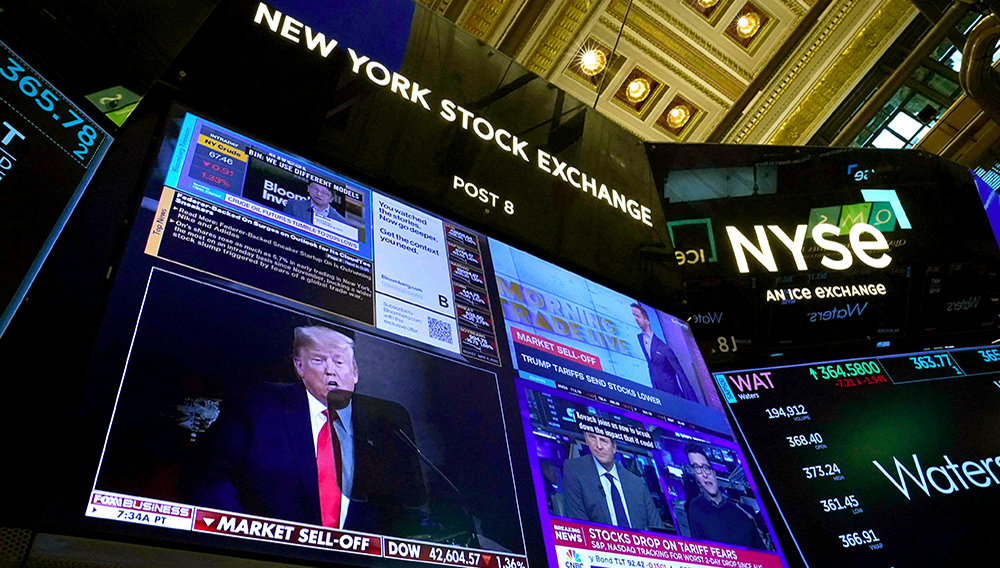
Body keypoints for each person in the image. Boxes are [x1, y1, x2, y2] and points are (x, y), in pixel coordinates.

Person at [194, 326, 427, 536]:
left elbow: (399, 511)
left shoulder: (381, 427)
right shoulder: (259, 405)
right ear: (299, 366)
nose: (330, 371)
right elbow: (211, 478)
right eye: (318, 360)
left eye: (339, 362)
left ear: (355, 372)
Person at [561, 430, 664, 530]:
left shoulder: (637, 484)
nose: (598, 446)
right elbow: (581, 526)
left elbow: (658, 531)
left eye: (603, 440)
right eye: (592, 438)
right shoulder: (574, 470)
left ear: (614, 447)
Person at [684, 444, 765, 549]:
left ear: (713, 472)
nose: (704, 474)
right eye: (697, 468)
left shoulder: (743, 512)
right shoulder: (695, 508)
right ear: (695, 475)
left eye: (706, 467)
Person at [630, 303, 695, 401]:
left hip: (673, 396)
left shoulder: (664, 348)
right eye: (634, 315)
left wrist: (693, 402)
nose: (635, 319)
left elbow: (681, 374)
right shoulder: (639, 338)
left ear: (646, 320)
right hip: (657, 395)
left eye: (637, 316)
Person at [284, 182, 350, 225]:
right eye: (315, 189)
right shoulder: (293, 205)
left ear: (331, 198)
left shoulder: (342, 222)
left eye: (324, 193)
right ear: (308, 188)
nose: (318, 194)